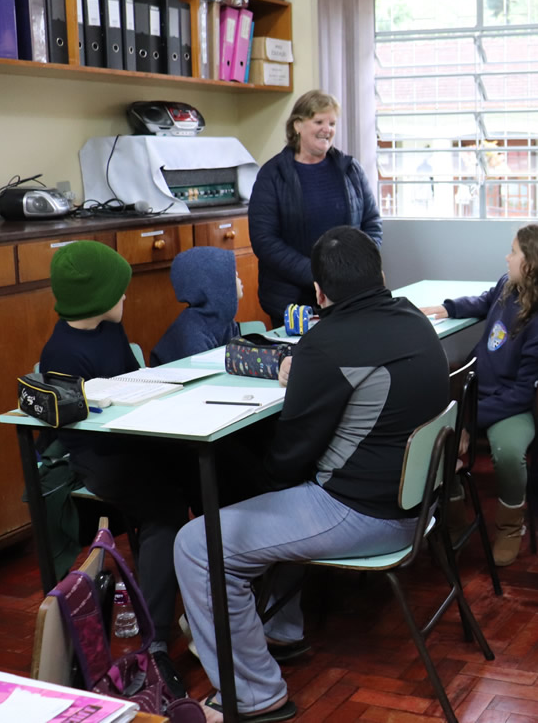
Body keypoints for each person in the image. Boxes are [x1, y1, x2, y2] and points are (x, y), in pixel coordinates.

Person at [174, 226, 449, 722]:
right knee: (283, 494)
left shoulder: (326, 344)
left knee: (197, 543)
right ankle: (282, 630)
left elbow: (287, 460)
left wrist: (301, 374)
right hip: (418, 502)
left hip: (365, 514)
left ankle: (254, 696)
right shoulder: (413, 318)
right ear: (382, 276)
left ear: (319, 294)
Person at [38, 241, 190, 695]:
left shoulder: (109, 331)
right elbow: (76, 432)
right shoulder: (61, 353)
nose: (127, 299)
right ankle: (157, 637)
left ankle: (201, 599)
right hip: (98, 458)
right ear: (98, 299)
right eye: (119, 292)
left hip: (135, 442)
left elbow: (129, 383)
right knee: (164, 509)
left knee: (204, 474)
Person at [421, 223, 538, 567]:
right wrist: (448, 308)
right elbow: (484, 301)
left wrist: (468, 418)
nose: (506, 257)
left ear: (532, 264)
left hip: (512, 406)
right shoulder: (508, 285)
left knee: (508, 451)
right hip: (480, 394)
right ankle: (453, 520)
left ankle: (510, 527)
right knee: (433, 438)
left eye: (513, 251)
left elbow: (520, 395)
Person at [249, 89, 383, 328]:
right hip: (291, 300)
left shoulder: (351, 170)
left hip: (348, 295)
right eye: (319, 121)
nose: (327, 129)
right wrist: (317, 274)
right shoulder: (272, 174)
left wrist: (357, 269)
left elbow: (372, 224)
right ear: (298, 125)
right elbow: (264, 240)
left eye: (331, 123)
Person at [150, 247, 242, 366]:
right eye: (232, 275)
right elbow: (204, 378)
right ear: (216, 285)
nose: (239, 278)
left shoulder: (225, 321)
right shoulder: (192, 335)